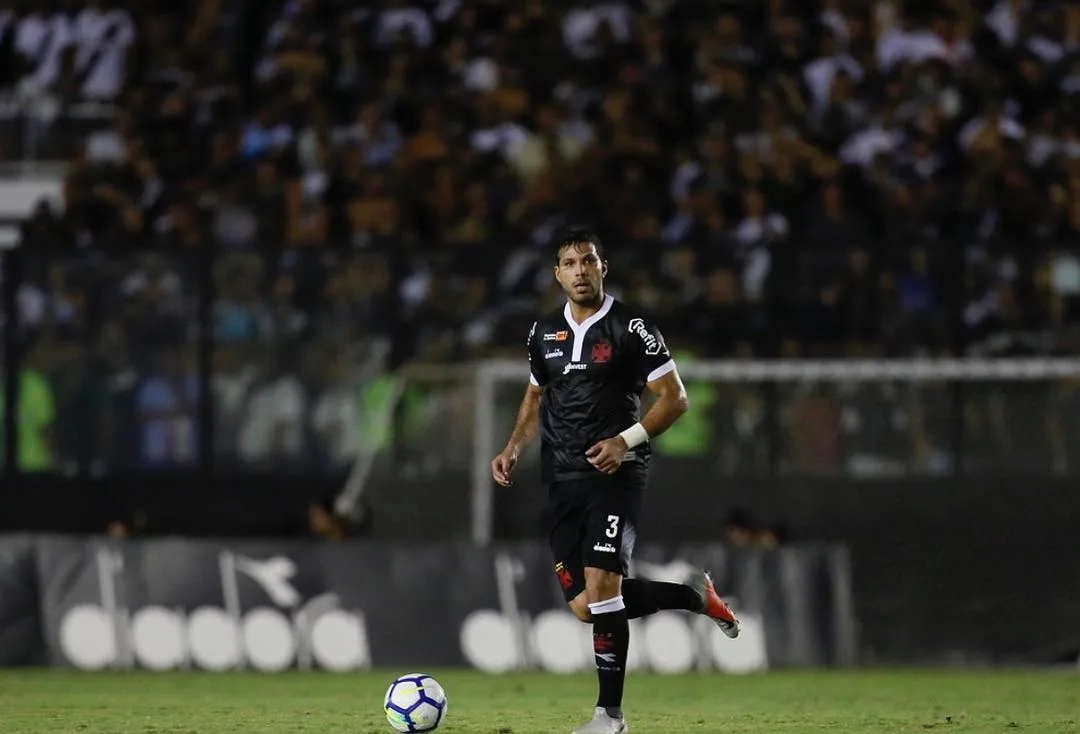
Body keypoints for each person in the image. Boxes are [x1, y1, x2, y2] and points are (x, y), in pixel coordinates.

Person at [491, 228, 740, 734]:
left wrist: (625, 441)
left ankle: (609, 717)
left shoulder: (631, 326)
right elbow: (536, 395)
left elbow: (675, 398)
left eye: (588, 261)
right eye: (569, 263)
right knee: (587, 608)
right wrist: (512, 446)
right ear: (557, 274)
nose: (580, 271)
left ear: (603, 267)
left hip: (615, 472)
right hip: (560, 477)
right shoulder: (543, 333)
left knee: (604, 588)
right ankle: (695, 597)